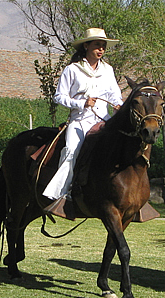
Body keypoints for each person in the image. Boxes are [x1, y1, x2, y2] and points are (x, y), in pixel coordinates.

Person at [42, 28, 123, 202]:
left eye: (103, 46)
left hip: (103, 121)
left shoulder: (108, 70)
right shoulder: (72, 69)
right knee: (71, 150)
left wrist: (118, 105)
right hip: (79, 121)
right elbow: (59, 96)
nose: (101, 49)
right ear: (86, 45)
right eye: (97, 45)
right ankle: (62, 193)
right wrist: (81, 103)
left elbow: (114, 94)